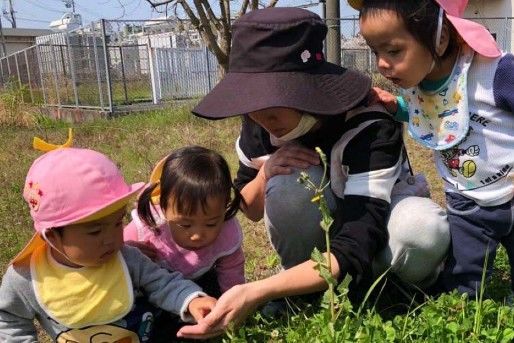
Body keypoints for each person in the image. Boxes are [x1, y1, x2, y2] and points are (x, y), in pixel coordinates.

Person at [177, 6, 450, 339]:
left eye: (272, 107)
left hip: (379, 229)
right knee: (288, 186)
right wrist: (265, 176)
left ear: (309, 93)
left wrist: (258, 290)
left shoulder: (368, 124)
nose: (261, 117)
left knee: (421, 228)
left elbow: (358, 239)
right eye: (252, 104)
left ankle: (398, 290)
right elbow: (248, 207)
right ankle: (301, 290)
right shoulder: (259, 121)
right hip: (319, 247)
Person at [351, 0, 514, 296]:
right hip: (465, 201)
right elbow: (433, 113)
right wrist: (397, 107)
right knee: (463, 277)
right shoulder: (417, 82)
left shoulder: (495, 72)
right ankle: (463, 310)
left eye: (393, 50)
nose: (382, 63)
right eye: (376, 52)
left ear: (440, 38)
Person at [0, 135, 216, 342]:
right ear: (52, 236)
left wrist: (191, 301)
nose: (113, 240)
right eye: (95, 232)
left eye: (117, 223)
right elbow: (10, 318)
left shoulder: (127, 259)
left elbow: (162, 283)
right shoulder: (27, 278)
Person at [124, 145, 245, 297]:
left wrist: (233, 301)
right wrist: (128, 250)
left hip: (197, 284)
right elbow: (114, 250)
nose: (197, 235)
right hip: (152, 289)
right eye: (185, 224)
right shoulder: (149, 224)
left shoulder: (226, 231)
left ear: (225, 206)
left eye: (211, 224)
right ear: (163, 207)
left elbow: (232, 270)